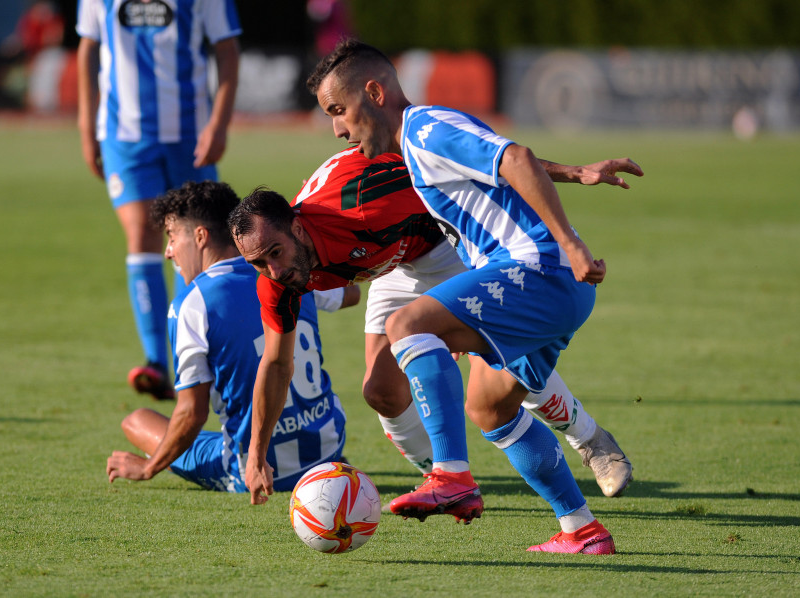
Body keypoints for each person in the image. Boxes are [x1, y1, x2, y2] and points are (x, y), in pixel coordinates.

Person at [304, 39, 645, 554]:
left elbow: (515, 157)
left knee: (406, 325)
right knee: (489, 408)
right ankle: (582, 529)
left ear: (374, 92)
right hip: (552, 286)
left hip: (540, 271)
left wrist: (571, 245)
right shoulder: (416, 144)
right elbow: (496, 158)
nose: (337, 128)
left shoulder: (424, 129)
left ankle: (450, 476)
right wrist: (576, 172)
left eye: (339, 110)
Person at [229, 146, 637, 516]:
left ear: (297, 228)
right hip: (398, 266)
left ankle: (591, 440)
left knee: (498, 361)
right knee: (382, 392)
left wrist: (574, 172)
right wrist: (256, 453)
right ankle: (446, 478)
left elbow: (472, 162)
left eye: (275, 254)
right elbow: (277, 363)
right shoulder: (276, 280)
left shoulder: (365, 200)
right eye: (259, 264)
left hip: (451, 245)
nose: (274, 271)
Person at [106, 180, 351, 492]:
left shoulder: (192, 303)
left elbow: (192, 414)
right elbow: (351, 293)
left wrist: (149, 468)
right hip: (327, 450)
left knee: (137, 421)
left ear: (200, 236)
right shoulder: (289, 270)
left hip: (255, 466)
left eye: (171, 237)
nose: (168, 252)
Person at [76, 0, 241, 399]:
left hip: (189, 135)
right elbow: (87, 48)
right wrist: (86, 123)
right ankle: (155, 362)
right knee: (142, 235)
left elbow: (227, 49)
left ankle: (193, 356)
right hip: (124, 136)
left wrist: (219, 124)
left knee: (198, 242)